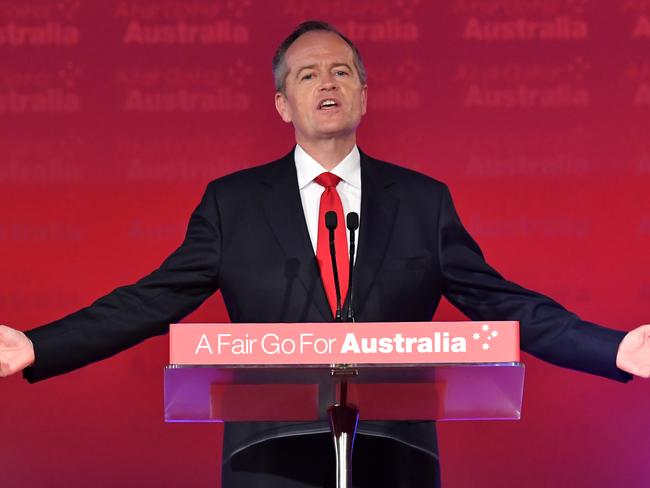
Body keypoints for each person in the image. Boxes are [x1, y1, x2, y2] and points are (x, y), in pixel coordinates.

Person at [1, 20, 649, 488]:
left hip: (395, 451)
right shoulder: (233, 203)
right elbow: (152, 299)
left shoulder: (423, 201)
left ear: (364, 94)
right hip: (269, 451)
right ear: (284, 104)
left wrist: (613, 348)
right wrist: (39, 345)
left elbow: (500, 300)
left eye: (342, 70)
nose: (327, 82)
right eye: (307, 74)